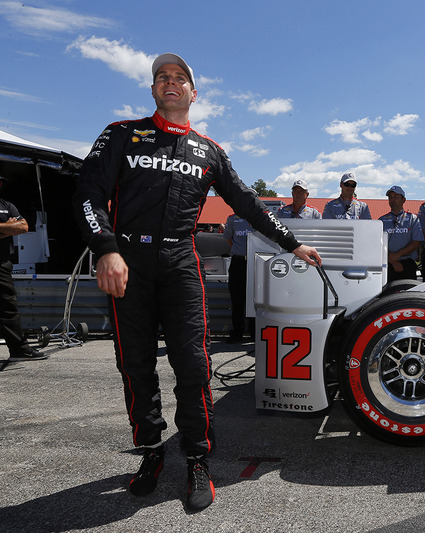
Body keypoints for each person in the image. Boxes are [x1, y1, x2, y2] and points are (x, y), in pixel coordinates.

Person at [72, 53, 321, 512]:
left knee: (193, 364)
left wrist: (292, 244)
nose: (171, 83)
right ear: (152, 90)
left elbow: (247, 203)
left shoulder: (208, 150)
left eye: (180, 78)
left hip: (180, 262)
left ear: (193, 92)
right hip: (127, 261)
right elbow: (88, 193)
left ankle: (196, 457)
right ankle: (150, 451)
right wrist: (106, 248)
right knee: (135, 364)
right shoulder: (121, 134)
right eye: (162, 77)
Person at [0, 176, 46, 362]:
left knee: (8, 307)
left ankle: (19, 350)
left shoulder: (7, 205)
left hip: (1, 264)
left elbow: (24, 226)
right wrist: (8, 227)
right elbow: (15, 228)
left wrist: (13, 227)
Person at [223, 211, 255, 343]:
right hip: (238, 262)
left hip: (255, 262)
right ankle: (237, 332)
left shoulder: (259, 217)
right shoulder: (232, 219)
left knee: (254, 298)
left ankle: (254, 334)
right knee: (237, 298)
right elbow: (229, 239)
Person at [379, 185, 423, 283]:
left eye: (396, 197)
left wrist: (397, 255)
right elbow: (378, 244)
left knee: (409, 295)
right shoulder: (381, 220)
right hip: (388, 264)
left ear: (404, 200)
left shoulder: (412, 219)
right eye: (390, 197)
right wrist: (393, 260)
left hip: (408, 264)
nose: (392, 200)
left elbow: (416, 242)